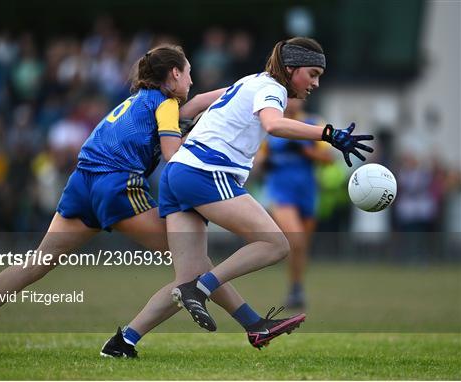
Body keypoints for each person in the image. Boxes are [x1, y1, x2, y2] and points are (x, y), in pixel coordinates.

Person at [0, 45, 244, 354]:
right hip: (115, 185)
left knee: (37, 263)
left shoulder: (137, 101)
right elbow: (171, 155)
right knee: (193, 263)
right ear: (175, 74)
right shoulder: (165, 105)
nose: (192, 81)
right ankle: (251, 323)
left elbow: (196, 104)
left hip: (81, 183)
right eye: (189, 73)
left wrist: (245, 86)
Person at [101, 37, 373, 357]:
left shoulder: (251, 81)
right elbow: (273, 125)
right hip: (206, 172)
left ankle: (123, 342)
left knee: (188, 274)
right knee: (276, 244)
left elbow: (198, 100)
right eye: (312, 73)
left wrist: (181, 125)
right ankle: (201, 289)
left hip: (177, 174)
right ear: (290, 69)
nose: (315, 82)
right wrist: (328, 134)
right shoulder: (273, 89)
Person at [257, 98, 333, 309]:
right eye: (289, 98)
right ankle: (295, 288)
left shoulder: (312, 123)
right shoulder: (272, 124)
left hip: (307, 192)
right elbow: (257, 162)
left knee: (301, 247)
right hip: (281, 192)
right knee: (296, 239)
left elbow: (329, 159)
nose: (292, 103)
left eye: (296, 99)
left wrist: (305, 152)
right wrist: (267, 160)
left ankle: (295, 288)